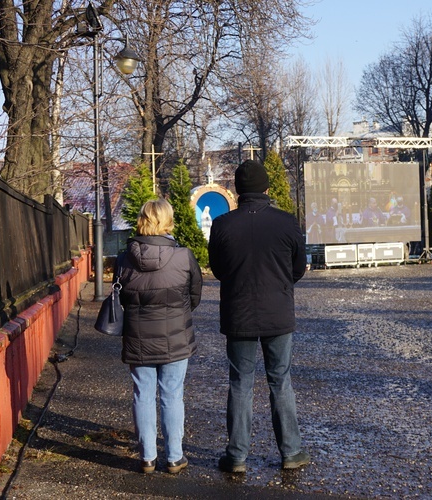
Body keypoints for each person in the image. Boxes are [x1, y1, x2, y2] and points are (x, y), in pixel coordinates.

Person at [209, 159, 310, 473]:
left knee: (240, 383)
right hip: (278, 312)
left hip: (239, 313)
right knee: (280, 382)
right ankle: (291, 452)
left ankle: (236, 456)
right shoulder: (286, 222)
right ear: (266, 188)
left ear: (238, 191)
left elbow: (218, 270)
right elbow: (297, 268)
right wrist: (279, 285)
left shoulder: (223, 224)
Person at [118, 198, 203, 474]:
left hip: (138, 337)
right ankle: (175, 457)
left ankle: (147, 457)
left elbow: (121, 297)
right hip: (176, 337)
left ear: (142, 220)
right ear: (168, 220)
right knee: (172, 394)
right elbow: (195, 296)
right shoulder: (183, 256)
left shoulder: (125, 258)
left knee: (142, 393)